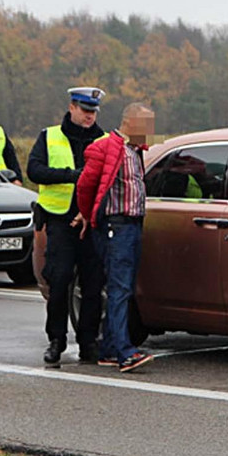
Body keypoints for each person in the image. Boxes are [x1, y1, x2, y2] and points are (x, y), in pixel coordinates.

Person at [26, 86, 108, 367]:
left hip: (93, 222)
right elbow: (34, 170)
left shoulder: (105, 139)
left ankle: (88, 343)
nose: (89, 116)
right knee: (59, 280)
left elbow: (109, 181)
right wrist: (72, 176)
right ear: (72, 107)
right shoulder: (49, 136)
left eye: (93, 112)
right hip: (60, 220)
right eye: (85, 111)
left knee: (93, 284)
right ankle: (56, 341)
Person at [72, 102, 154, 373]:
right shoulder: (107, 147)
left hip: (132, 226)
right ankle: (123, 351)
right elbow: (85, 185)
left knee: (124, 287)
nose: (150, 132)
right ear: (131, 123)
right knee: (119, 289)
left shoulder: (135, 151)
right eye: (147, 125)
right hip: (116, 226)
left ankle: (108, 348)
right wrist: (88, 214)